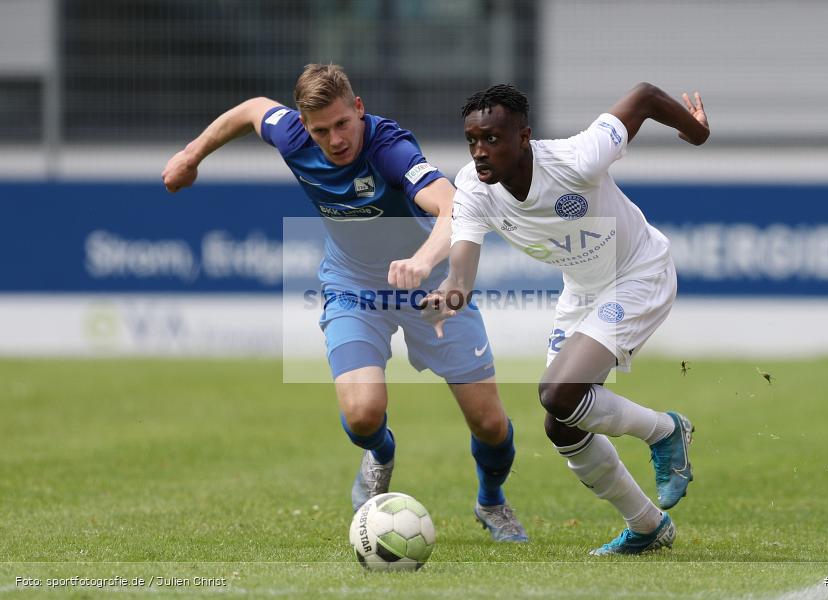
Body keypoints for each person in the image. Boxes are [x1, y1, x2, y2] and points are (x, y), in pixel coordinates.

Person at [161, 64, 528, 542]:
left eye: (341, 124)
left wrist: (421, 260)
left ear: (358, 109)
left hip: (429, 285)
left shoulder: (389, 148)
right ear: (302, 125)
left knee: (490, 423)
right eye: (320, 130)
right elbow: (252, 110)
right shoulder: (291, 136)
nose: (335, 139)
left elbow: (452, 206)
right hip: (353, 285)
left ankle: (492, 501)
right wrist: (192, 156)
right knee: (362, 414)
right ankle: (379, 451)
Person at [422, 82, 709, 554]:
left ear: (524, 137)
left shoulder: (577, 158)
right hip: (582, 292)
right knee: (562, 423)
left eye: (491, 139)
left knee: (557, 392)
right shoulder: (473, 188)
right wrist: (448, 297)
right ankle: (647, 525)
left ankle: (666, 430)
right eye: (472, 140)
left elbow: (642, 97)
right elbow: (462, 274)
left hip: (640, 274)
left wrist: (695, 133)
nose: (480, 152)